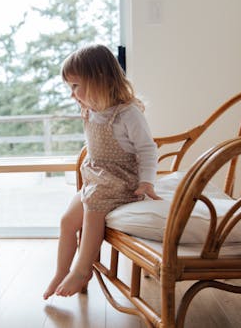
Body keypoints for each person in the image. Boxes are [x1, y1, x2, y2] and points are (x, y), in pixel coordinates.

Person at [43, 44, 160, 300]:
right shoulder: (91, 110)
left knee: (93, 208)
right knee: (67, 221)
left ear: (99, 80)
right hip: (97, 179)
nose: (72, 94)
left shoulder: (128, 113)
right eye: (69, 87)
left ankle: (82, 269)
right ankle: (60, 272)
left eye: (76, 86)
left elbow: (147, 150)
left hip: (122, 181)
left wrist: (147, 182)